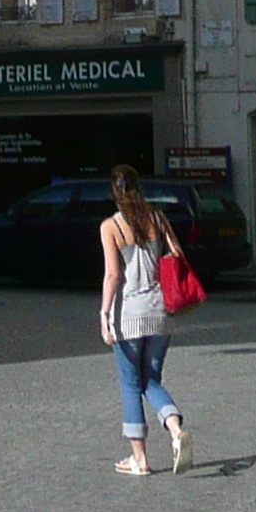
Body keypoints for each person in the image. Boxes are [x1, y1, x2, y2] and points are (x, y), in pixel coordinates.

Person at [98, 166, 192, 475]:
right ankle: (176, 429)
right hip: (161, 312)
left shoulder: (111, 226)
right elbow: (176, 254)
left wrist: (103, 313)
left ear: (114, 192)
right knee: (151, 379)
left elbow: (113, 274)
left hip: (129, 315)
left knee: (130, 382)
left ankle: (140, 459)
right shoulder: (158, 219)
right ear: (140, 189)